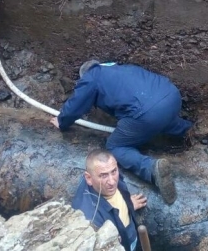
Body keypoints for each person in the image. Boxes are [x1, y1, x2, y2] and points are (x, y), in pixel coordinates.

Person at [51, 61, 193, 204]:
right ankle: (190, 132)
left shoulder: (91, 77)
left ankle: (151, 169)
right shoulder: (122, 69)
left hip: (148, 114)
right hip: (172, 95)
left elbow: (77, 103)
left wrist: (62, 120)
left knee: (115, 146)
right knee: (163, 120)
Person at [71, 149, 147, 251]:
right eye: (103, 175)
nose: (112, 182)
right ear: (89, 178)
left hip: (130, 236)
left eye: (114, 171)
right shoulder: (89, 219)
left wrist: (127, 204)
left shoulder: (109, 175)